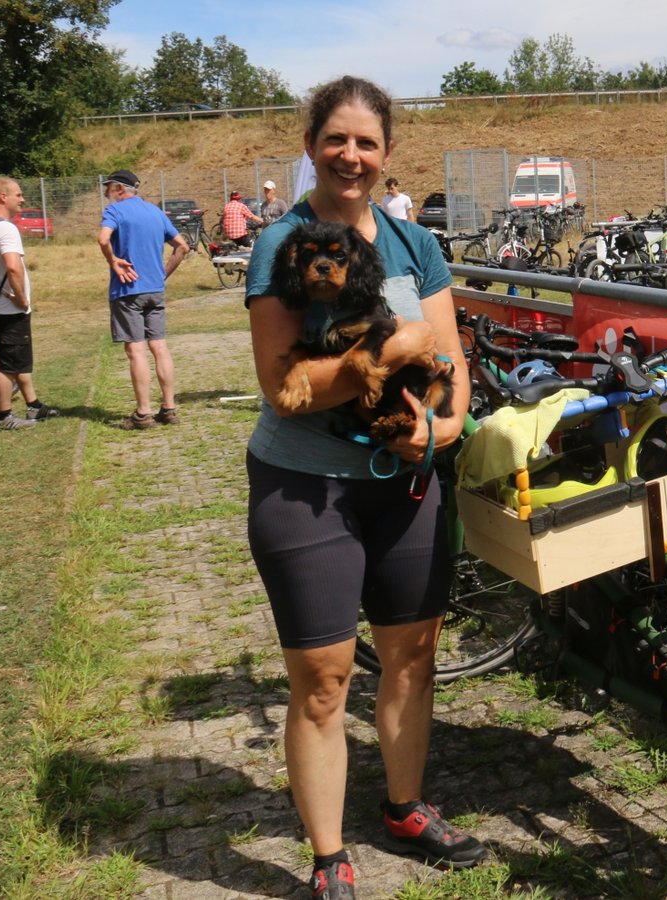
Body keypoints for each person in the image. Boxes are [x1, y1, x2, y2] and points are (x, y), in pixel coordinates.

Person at [243, 75, 479, 898]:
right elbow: (286, 388)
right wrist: (381, 357)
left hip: (406, 483)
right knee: (323, 681)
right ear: (310, 147)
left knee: (413, 658)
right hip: (305, 487)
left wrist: (441, 430)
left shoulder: (416, 245)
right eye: (336, 139)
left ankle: (406, 807)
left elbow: (453, 368)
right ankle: (328, 856)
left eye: (367, 142)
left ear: (386, 156)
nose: (352, 155)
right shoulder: (283, 244)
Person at [96, 169, 188, 430]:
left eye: (108, 188)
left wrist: (113, 260)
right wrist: (162, 275)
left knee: (136, 350)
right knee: (159, 347)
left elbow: (103, 238)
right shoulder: (156, 212)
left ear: (119, 189)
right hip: (154, 291)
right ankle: (169, 408)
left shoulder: (115, 212)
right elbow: (182, 246)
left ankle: (143, 414)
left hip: (127, 292)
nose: (105, 193)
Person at [0, 177, 59, 429]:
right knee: (8, 365)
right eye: (18, 195)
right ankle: (4, 416)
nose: (22, 199)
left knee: (18, 359)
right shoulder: (6, 228)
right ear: (3, 197)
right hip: (10, 307)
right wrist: (22, 299)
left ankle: (33, 406)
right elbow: (13, 266)